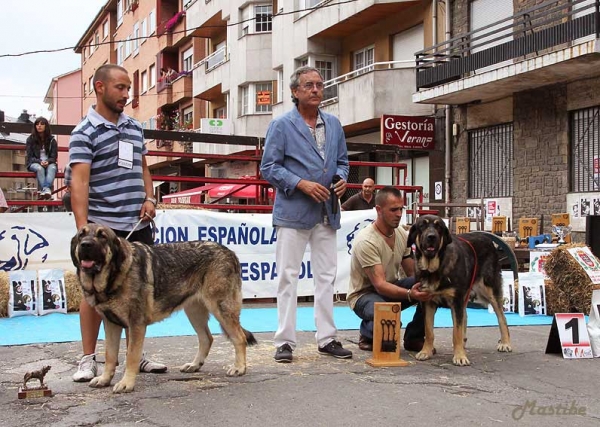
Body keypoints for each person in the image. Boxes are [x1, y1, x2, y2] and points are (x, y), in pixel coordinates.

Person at [69, 64, 167, 382]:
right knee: (94, 293)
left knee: (138, 294)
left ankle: (135, 357)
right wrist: (85, 231)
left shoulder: (135, 128)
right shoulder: (84, 132)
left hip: (137, 226)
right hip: (103, 230)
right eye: (120, 88)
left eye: (128, 88)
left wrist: (150, 199)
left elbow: (143, 168)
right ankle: (88, 358)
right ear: (100, 87)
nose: (127, 94)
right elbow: (79, 183)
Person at [260, 66, 352, 363]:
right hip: (293, 211)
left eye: (319, 85)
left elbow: (342, 162)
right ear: (295, 92)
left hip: (327, 210)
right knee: (288, 276)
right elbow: (269, 167)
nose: (316, 90)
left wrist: (340, 178)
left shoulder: (334, 124)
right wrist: (300, 183)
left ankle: (327, 338)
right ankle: (285, 341)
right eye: (309, 85)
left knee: (326, 276)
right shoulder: (281, 125)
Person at [347, 186, 432, 352]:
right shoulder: (367, 241)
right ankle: (367, 332)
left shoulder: (401, 234)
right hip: (364, 295)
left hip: (390, 289)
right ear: (378, 210)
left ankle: (413, 338)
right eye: (393, 210)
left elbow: (412, 273)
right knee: (389, 318)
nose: (399, 214)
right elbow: (379, 285)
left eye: (401, 209)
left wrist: (428, 285)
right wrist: (410, 294)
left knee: (428, 286)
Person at [26, 116, 58, 199]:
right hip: (34, 163)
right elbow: (30, 157)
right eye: (37, 124)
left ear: (46, 126)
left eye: (42, 124)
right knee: (39, 168)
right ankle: (46, 189)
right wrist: (40, 161)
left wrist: (48, 161)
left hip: (49, 162)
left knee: (52, 168)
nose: (39, 126)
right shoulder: (30, 139)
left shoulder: (52, 140)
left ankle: (45, 189)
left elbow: (54, 157)